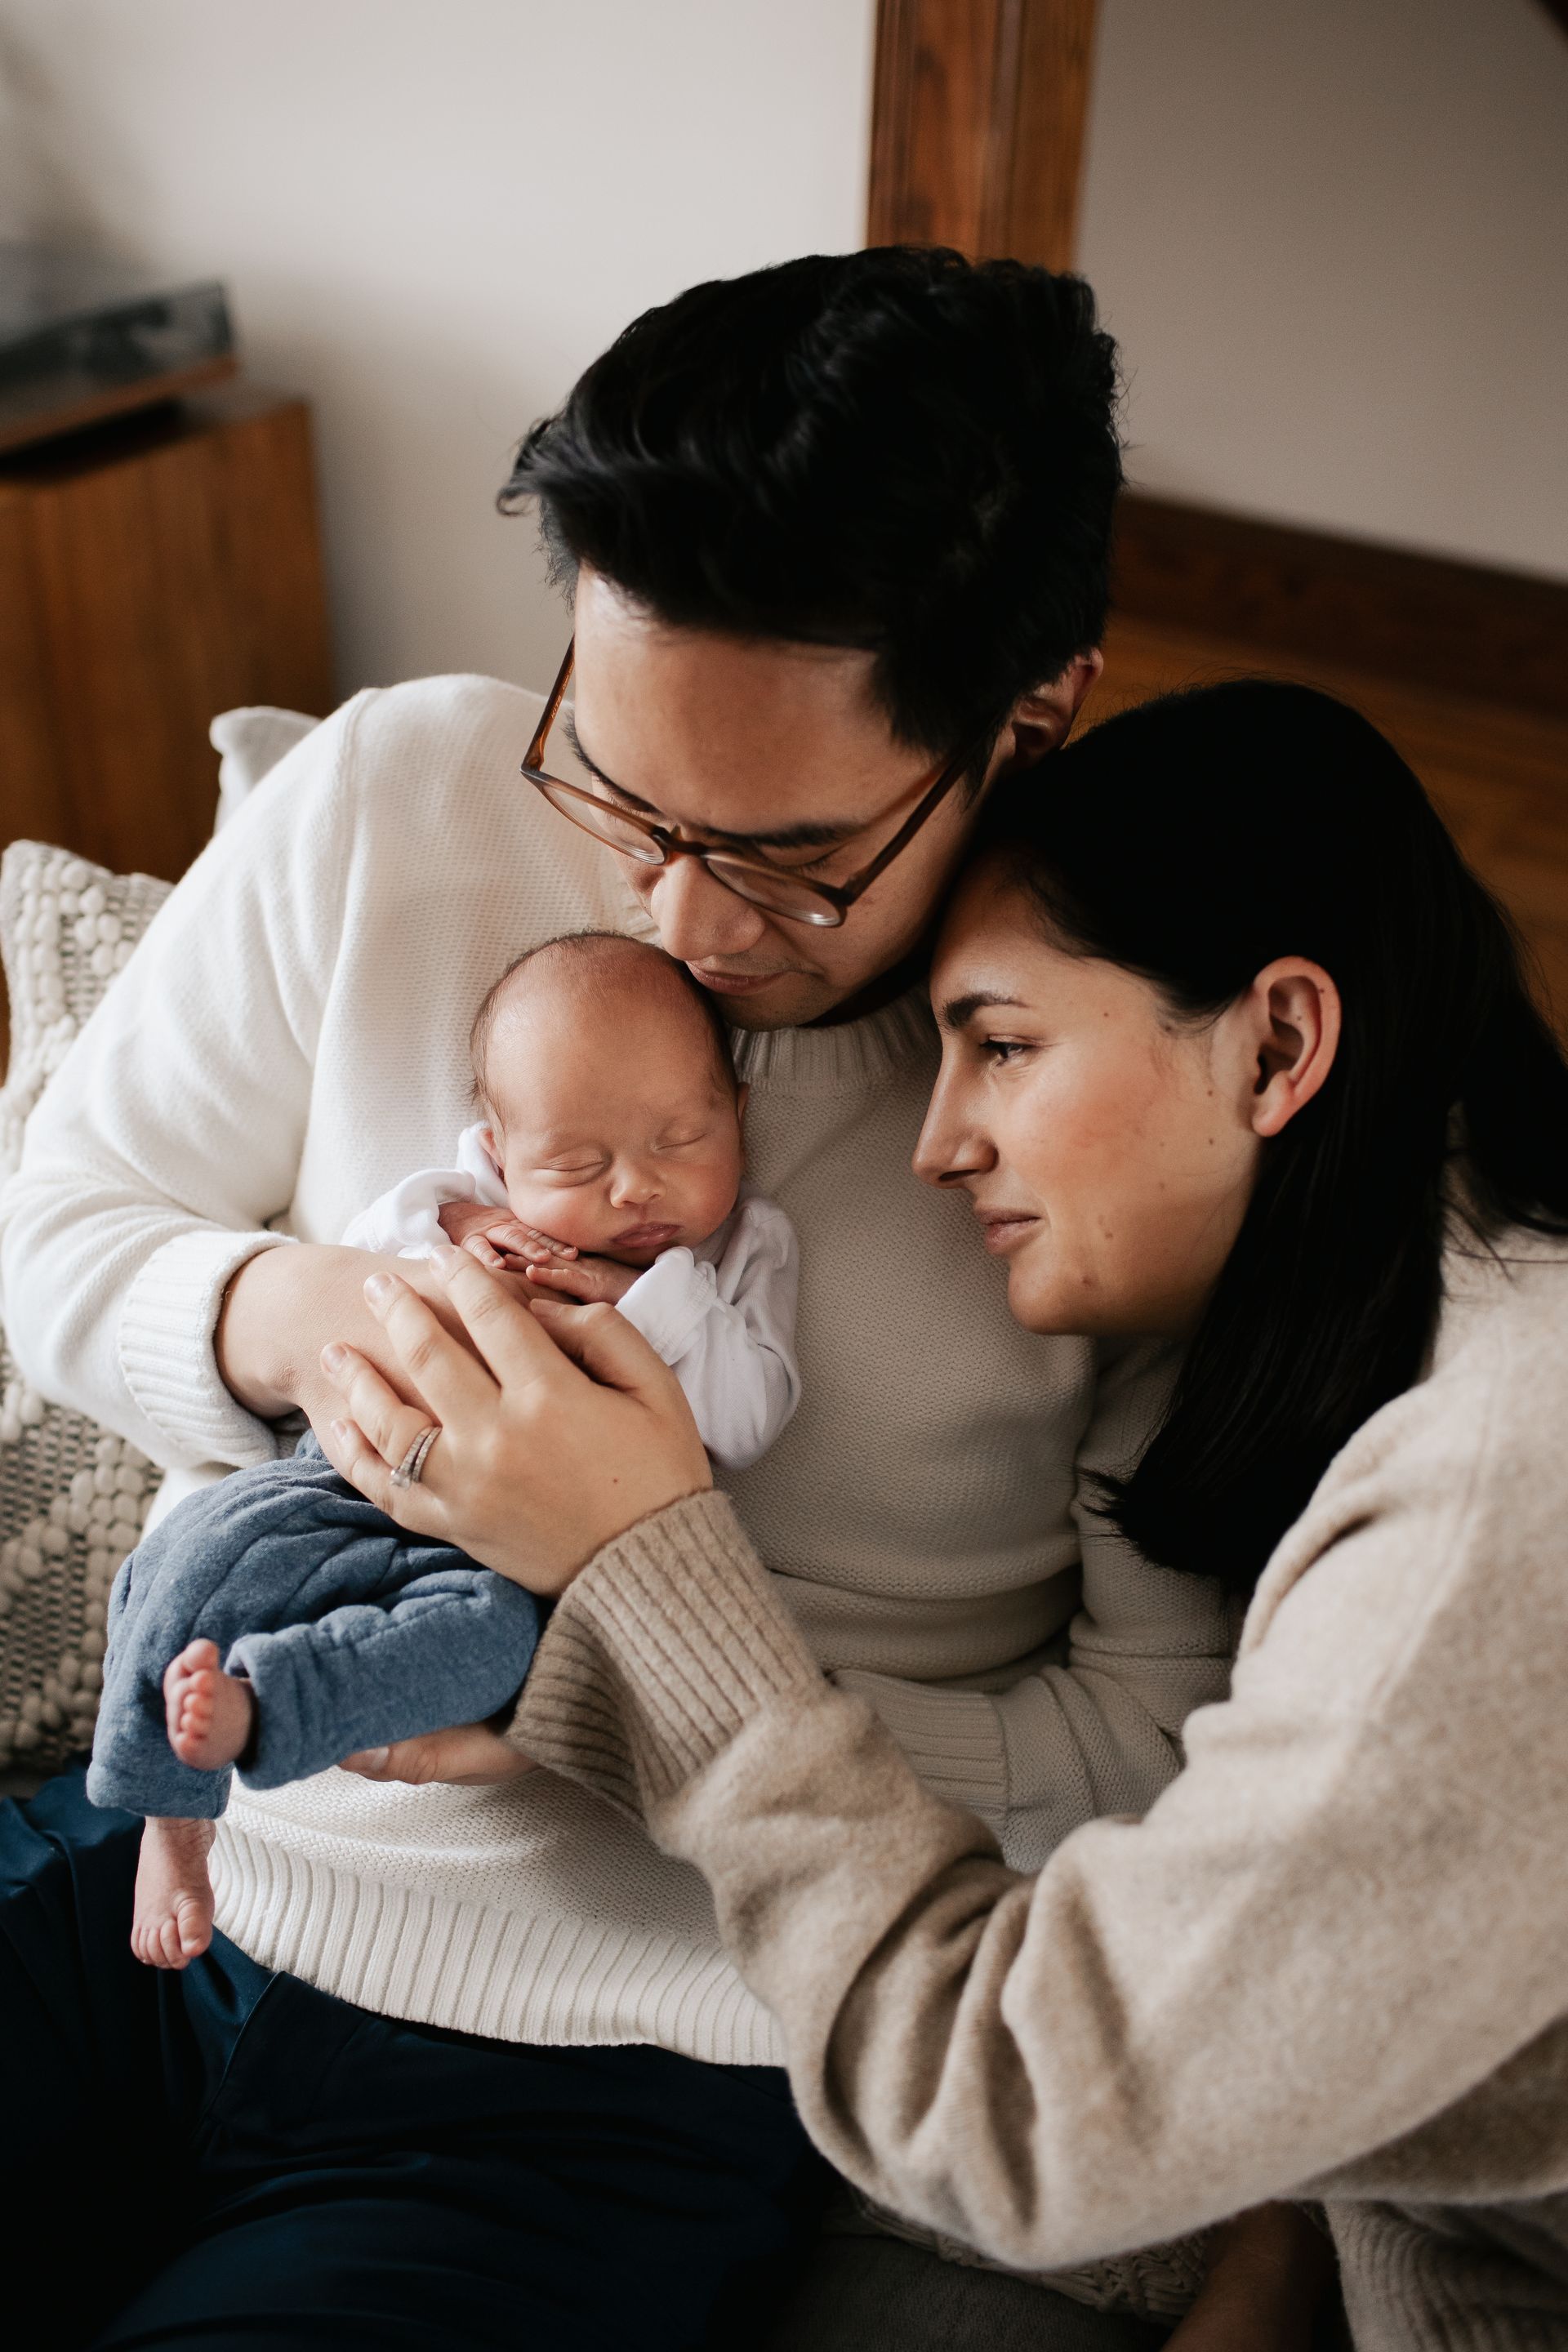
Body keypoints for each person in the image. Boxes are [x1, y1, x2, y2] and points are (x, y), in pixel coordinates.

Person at [0, 252, 1257, 2349]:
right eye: (612, 782)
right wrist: (290, 1314)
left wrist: (625, 1693)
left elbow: (1150, 1750)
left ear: (1033, 707)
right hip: (151, 1859)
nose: (671, 910)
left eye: (783, 853)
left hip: (610, 2085)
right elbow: (56, 1216)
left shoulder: (1118, 1117)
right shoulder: (401, 792)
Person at [323, 681, 1568, 2351]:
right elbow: (1364, 1943)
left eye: (1002, 1044)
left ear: (1277, 1044)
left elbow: (1013, 2115)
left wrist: (648, 1591)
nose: (934, 1143)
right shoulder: (1402, 1349)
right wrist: (1282, 2239)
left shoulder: (1501, 1494)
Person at [86, 929, 795, 1979]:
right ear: (500, 1153)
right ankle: (173, 1821)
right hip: (342, 1486)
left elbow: (751, 1417)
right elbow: (362, 1262)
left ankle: (268, 1707)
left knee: (488, 1653)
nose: (635, 1190)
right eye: (577, 1165)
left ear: (737, 1111)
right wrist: (455, 1220)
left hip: (510, 1562)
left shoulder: (739, 1253)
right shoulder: (464, 1203)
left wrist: (647, 1300)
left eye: (682, 1139)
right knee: (191, 1555)